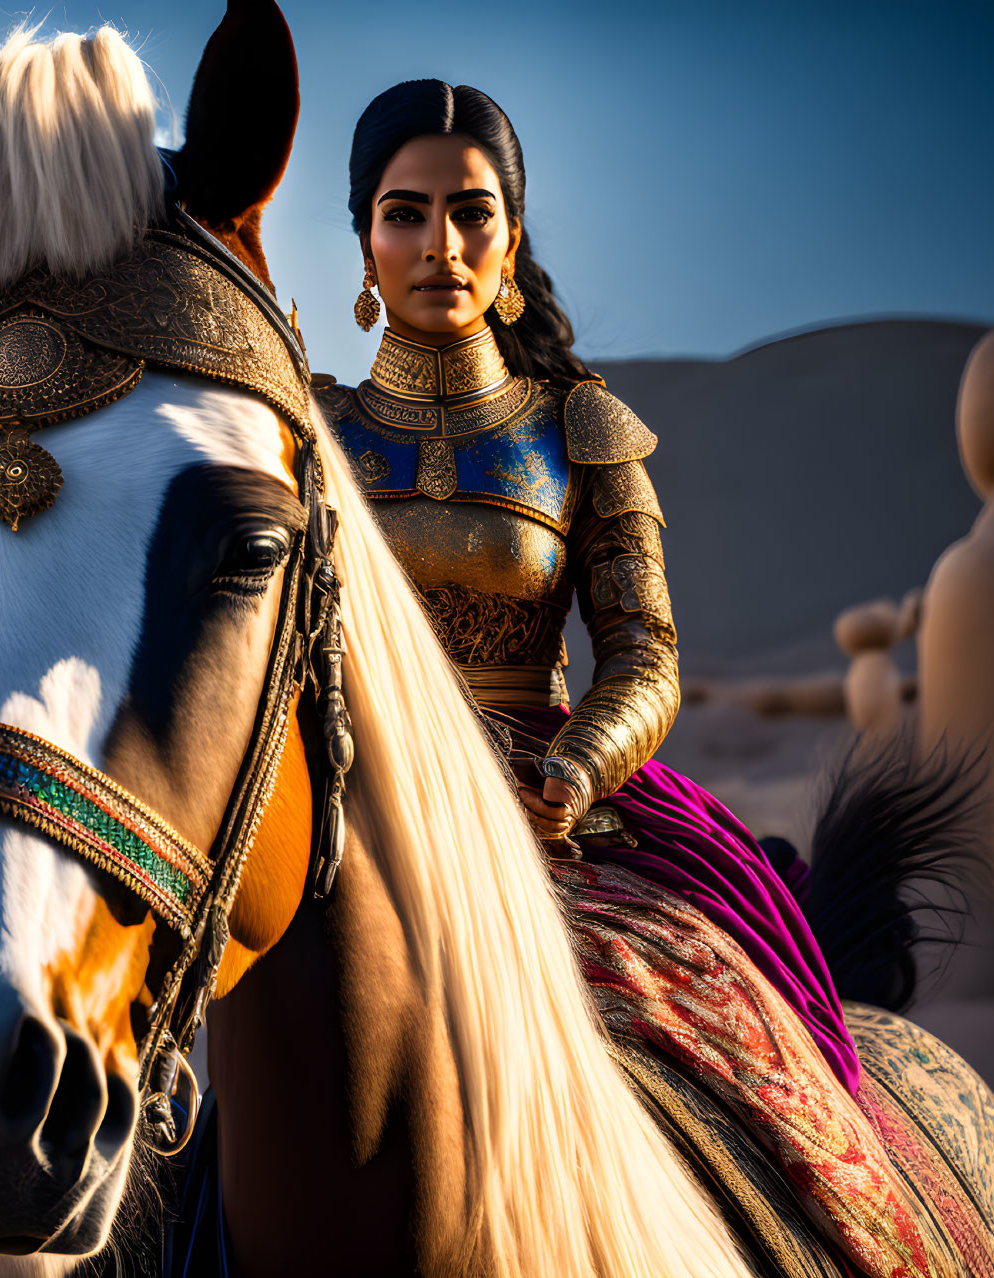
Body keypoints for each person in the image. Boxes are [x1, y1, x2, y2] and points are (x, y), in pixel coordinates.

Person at [316, 79, 860, 1090]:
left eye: (470, 211)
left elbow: (645, 653)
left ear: (509, 240)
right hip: (340, 807)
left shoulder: (580, 433)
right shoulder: (299, 437)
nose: (439, 241)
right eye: (404, 213)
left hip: (551, 813)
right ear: (364, 244)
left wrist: (577, 766)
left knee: (745, 1064)